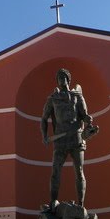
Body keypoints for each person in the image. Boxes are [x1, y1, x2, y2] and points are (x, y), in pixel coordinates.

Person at [41, 68, 94, 209]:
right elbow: (44, 119)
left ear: (68, 79)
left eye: (63, 77)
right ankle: (53, 202)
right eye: (59, 77)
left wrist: (88, 119)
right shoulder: (52, 99)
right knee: (55, 171)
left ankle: (81, 205)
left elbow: (84, 115)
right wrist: (44, 136)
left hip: (76, 137)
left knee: (79, 171)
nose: (61, 79)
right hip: (60, 139)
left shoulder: (77, 96)